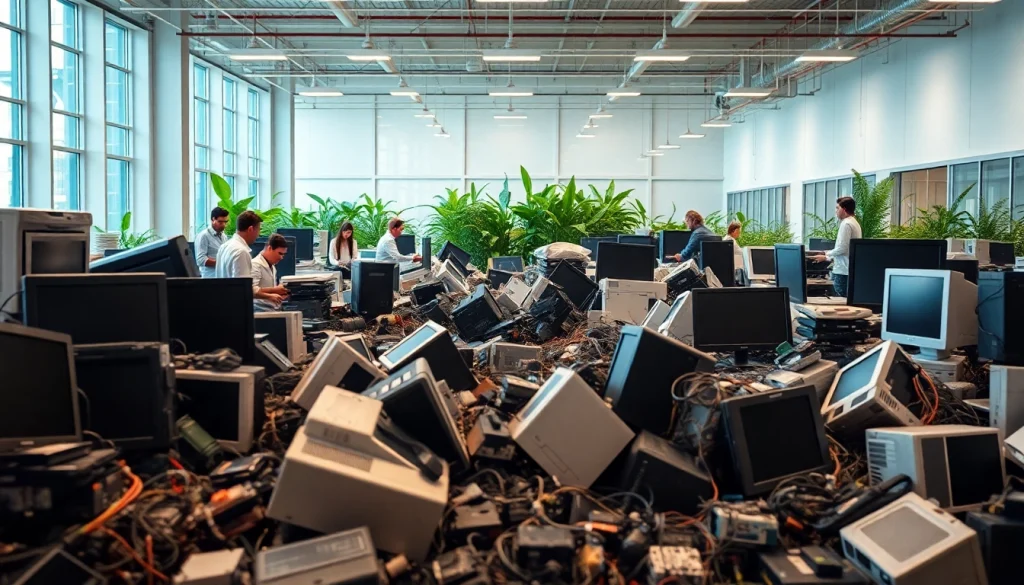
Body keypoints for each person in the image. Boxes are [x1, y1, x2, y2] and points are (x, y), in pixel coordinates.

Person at [812, 196, 862, 297]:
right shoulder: (854, 222)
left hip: (842, 271)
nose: (836, 211)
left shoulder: (846, 224)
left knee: (841, 298)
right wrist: (828, 254)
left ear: (844, 209)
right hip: (848, 269)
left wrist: (826, 256)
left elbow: (842, 248)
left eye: (837, 208)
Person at [252, 234, 291, 309]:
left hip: (271, 308)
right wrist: (274, 291)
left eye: (283, 255)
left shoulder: (272, 266)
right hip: (259, 309)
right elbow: (252, 290)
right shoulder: (255, 265)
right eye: (280, 253)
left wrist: (279, 293)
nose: (281, 257)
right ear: (269, 248)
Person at [195, 207, 229, 278]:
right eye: (220, 222)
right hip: (210, 278)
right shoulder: (204, 236)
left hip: (222, 277)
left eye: (225, 222)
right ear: (213, 219)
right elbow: (201, 260)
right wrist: (221, 264)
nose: (224, 225)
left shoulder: (224, 236)